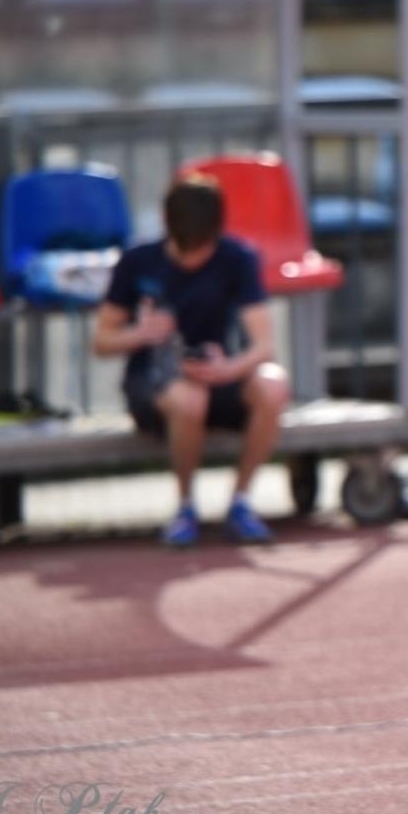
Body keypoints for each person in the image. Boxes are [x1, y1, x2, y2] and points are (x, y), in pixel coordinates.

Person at [92, 174, 287, 548]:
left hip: (222, 376)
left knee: (273, 384)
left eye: (203, 247)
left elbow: (265, 346)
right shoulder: (137, 262)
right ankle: (185, 506)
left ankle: (241, 502)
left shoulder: (238, 258)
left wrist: (228, 368)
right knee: (188, 398)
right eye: (185, 247)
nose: (194, 257)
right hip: (157, 382)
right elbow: (101, 342)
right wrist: (141, 334)